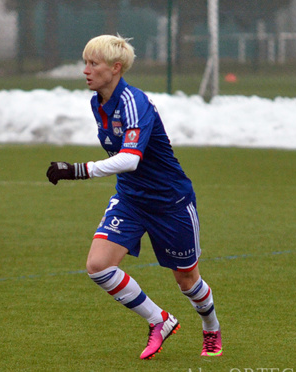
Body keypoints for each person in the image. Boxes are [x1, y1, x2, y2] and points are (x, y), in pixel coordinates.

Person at [46, 34, 222, 360]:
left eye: (93, 63)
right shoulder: (97, 103)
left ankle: (211, 328)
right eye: (85, 62)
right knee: (98, 266)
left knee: (186, 279)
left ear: (114, 68)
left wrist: (77, 170)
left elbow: (130, 159)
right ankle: (160, 320)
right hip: (130, 199)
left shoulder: (134, 102)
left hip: (170, 202)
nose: (86, 70)